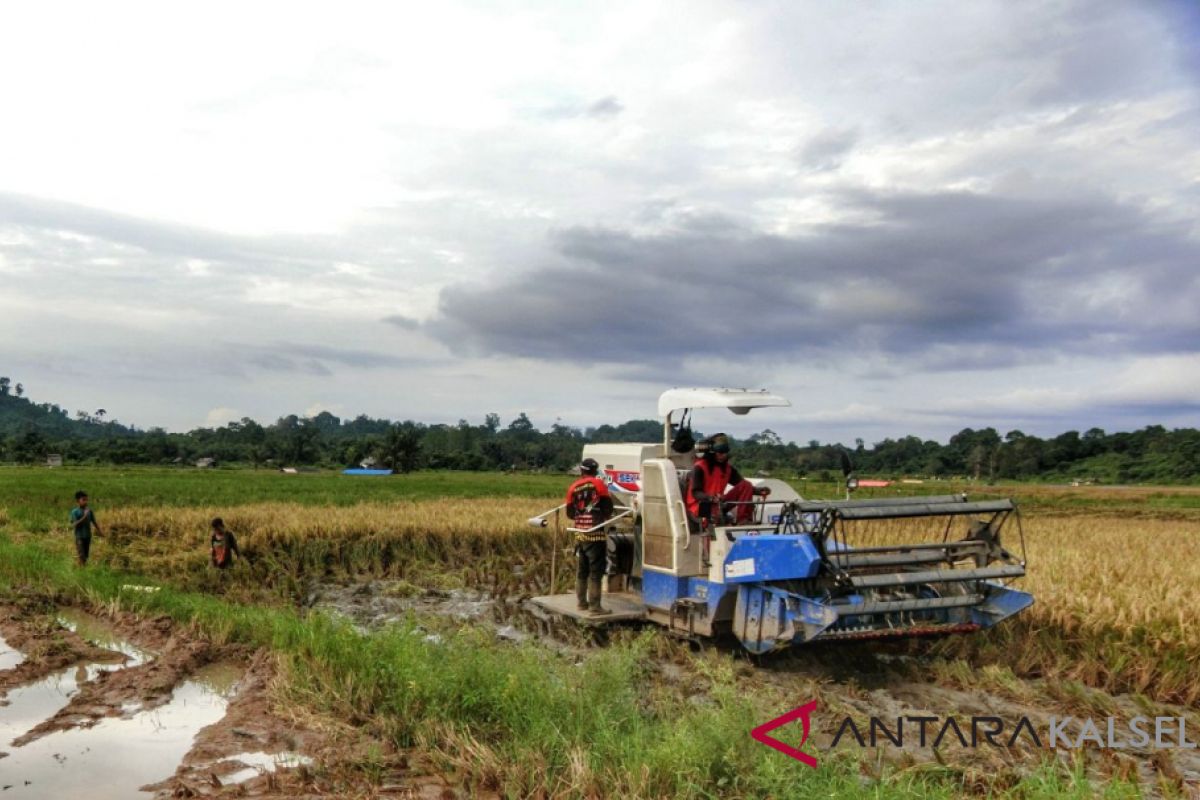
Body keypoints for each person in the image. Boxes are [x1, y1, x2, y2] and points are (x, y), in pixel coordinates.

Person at [686, 433, 770, 529]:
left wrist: (759, 491)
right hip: (701, 508)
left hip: (719, 505)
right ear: (712, 452)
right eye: (720, 453)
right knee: (712, 508)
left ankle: (743, 520)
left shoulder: (727, 469)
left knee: (746, 485)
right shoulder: (699, 467)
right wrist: (710, 498)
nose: (723, 456)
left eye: (725, 453)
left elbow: (743, 486)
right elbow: (696, 492)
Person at [564, 457, 613, 614]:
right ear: (595, 471)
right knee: (596, 571)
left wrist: (582, 516)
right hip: (595, 532)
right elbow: (607, 507)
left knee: (582, 570)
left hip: (580, 533)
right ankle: (595, 606)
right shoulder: (598, 485)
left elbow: (570, 513)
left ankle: (581, 603)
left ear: (581, 470)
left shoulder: (573, 487)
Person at [69, 490, 103, 566]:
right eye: (83, 500)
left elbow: (94, 522)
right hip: (79, 537)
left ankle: (82, 569)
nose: (86, 502)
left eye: (86, 500)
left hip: (88, 536)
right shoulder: (75, 512)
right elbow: (74, 524)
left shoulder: (89, 511)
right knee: (82, 555)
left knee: (86, 556)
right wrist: (84, 516)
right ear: (78, 501)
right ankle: (81, 569)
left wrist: (100, 532)